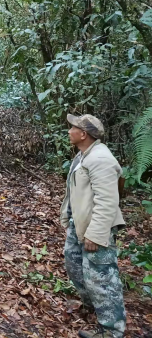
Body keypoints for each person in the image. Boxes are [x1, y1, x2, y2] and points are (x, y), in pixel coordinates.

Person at [61, 114, 126, 338]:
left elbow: (108, 201)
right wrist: (68, 218)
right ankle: (93, 307)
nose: (69, 131)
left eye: (73, 128)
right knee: (74, 265)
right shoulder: (83, 156)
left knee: (102, 279)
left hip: (96, 229)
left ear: (83, 134)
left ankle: (112, 330)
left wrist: (95, 235)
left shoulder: (101, 159)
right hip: (79, 224)